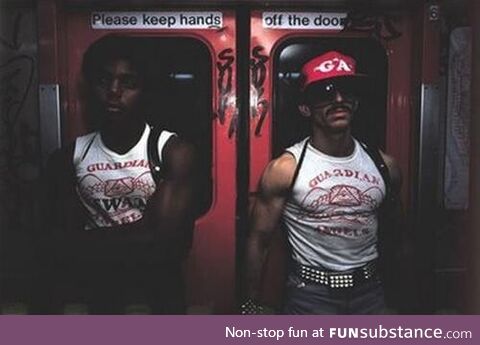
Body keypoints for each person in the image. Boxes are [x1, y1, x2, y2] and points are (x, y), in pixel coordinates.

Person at [39, 36, 196, 314]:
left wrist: (86, 243)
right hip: (102, 292)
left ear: (145, 90)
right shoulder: (70, 157)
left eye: (128, 83)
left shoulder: (171, 151)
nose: (113, 91)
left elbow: (166, 243)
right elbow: (58, 246)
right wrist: (143, 234)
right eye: (104, 81)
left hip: (160, 294)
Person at [243, 51, 403, 314]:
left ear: (356, 102)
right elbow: (259, 239)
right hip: (310, 296)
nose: (339, 100)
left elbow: (399, 237)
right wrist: (250, 303)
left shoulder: (384, 166)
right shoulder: (286, 169)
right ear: (305, 107)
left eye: (347, 91)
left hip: (371, 292)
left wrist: (406, 302)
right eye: (325, 92)